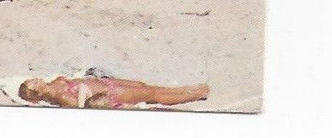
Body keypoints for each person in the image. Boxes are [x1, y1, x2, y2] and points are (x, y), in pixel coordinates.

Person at [18, 76, 209, 109]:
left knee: (144, 86)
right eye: (34, 83)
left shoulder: (53, 83)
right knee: (152, 95)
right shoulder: (59, 97)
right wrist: (83, 90)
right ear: (37, 94)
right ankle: (196, 94)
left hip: (104, 83)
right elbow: (81, 106)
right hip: (111, 94)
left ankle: (183, 89)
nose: (36, 79)